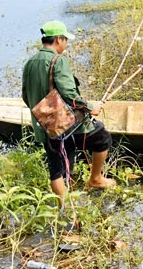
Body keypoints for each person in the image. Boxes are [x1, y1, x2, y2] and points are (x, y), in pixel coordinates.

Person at [22, 20, 116, 204]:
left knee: (57, 168)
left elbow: (25, 95)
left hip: (44, 124)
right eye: (65, 40)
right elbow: (68, 93)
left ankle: (64, 209)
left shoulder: (30, 62)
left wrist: (43, 116)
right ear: (58, 39)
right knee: (102, 137)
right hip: (65, 123)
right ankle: (95, 179)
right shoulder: (58, 60)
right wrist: (90, 107)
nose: (66, 44)